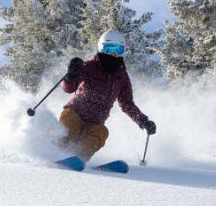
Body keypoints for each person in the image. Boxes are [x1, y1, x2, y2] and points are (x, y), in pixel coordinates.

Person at [58, 29, 156, 161]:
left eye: (119, 50)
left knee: (101, 133)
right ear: (101, 48)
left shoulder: (122, 77)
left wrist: (143, 121)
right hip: (74, 113)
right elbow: (69, 88)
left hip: (95, 123)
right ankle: (57, 153)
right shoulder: (88, 67)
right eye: (110, 48)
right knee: (71, 127)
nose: (114, 54)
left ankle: (78, 159)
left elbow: (127, 104)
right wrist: (70, 76)